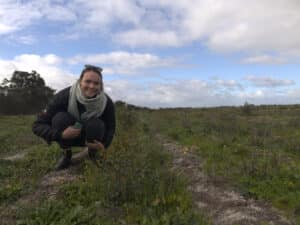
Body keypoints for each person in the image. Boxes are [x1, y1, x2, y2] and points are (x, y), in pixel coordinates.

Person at [32, 65, 116, 170]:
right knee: (60, 119)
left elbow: (111, 128)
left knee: (97, 124)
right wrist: (60, 134)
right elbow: (37, 125)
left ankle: (93, 154)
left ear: (101, 86)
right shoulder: (63, 96)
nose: (91, 86)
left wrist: (103, 145)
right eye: (87, 81)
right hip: (67, 136)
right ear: (80, 81)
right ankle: (66, 155)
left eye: (96, 83)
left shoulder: (106, 102)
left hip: (90, 139)